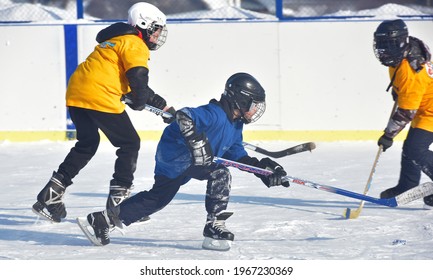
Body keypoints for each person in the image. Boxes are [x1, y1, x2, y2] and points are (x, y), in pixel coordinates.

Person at [77, 72, 290, 250]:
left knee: (158, 199)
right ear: (240, 100)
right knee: (220, 173)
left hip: (184, 162)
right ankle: (214, 224)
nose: (255, 110)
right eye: (253, 105)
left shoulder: (235, 126)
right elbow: (184, 117)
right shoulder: (213, 113)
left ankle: (102, 220)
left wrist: (261, 168)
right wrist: (198, 144)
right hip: (175, 155)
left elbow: (236, 154)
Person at [32, 2, 175, 223]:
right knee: (129, 144)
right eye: (155, 29)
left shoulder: (115, 41)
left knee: (87, 144)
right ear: (144, 24)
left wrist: (162, 107)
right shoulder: (135, 44)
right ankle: (119, 203)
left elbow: (130, 82)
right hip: (99, 94)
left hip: (77, 93)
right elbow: (137, 77)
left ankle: (51, 193)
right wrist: (138, 100)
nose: (157, 35)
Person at [373, 19, 433, 208]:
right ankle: (407, 186)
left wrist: (388, 135)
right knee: (411, 147)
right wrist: (398, 90)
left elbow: (406, 112)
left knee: (415, 149)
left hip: (429, 112)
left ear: (400, 42)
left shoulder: (410, 70)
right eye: (381, 45)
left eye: (388, 45)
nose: (383, 50)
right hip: (424, 108)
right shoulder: (403, 54)